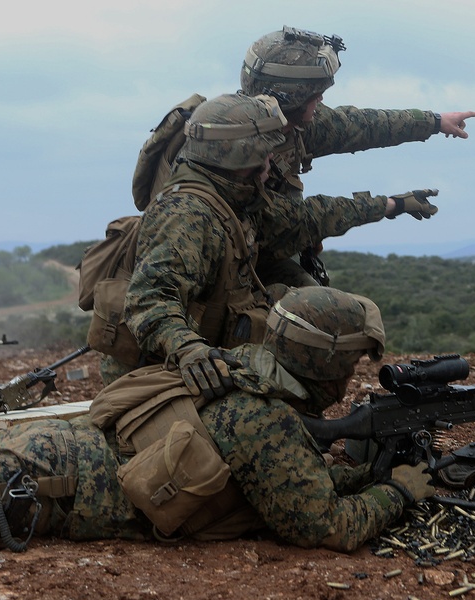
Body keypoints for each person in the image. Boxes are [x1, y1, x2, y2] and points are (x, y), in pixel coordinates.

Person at [0, 287, 435, 556]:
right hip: (49, 481)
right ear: (325, 362)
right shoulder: (267, 419)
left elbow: (292, 479)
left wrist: (370, 473)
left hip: (64, 451)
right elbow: (325, 526)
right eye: (350, 362)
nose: (351, 375)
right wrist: (398, 493)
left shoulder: (242, 370)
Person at [107, 92, 438, 392]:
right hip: (162, 368)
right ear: (242, 157)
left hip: (207, 351)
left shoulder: (236, 196)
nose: (271, 163)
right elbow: (148, 301)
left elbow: (308, 217)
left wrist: (391, 205)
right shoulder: (187, 215)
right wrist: (188, 349)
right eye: (266, 154)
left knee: (312, 310)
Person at [132, 25, 475, 287]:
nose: (321, 103)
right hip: (213, 266)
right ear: (291, 98)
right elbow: (298, 219)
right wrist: (391, 205)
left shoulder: (293, 122)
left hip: (260, 245)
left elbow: (362, 125)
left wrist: (434, 122)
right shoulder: (232, 149)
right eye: (315, 96)